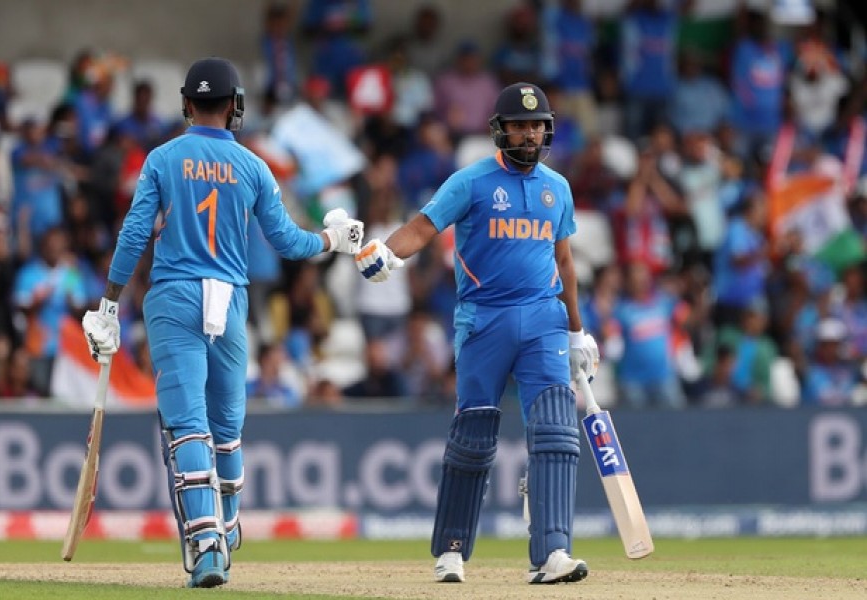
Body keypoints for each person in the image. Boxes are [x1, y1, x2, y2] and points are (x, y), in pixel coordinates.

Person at [80, 57, 363, 588]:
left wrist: (110, 304)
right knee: (227, 431)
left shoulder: (163, 158)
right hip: (229, 301)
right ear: (234, 106)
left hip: (172, 297)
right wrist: (335, 241)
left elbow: (134, 233)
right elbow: (288, 242)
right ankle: (227, 526)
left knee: (188, 425)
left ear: (187, 104)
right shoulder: (255, 167)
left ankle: (208, 546)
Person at [355, 82, 599, 585]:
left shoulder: (558, 187)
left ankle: (553, 551)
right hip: (483, 320)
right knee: (473, 439)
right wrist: (387, 253)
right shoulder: (471, 181)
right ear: (500, 130)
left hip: (542, 321)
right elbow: (423, 227)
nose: (529, 134)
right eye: (520, 125)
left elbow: (566, 262)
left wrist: (577, 332)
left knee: (555, 431)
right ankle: (451, 549)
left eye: (537, 126)